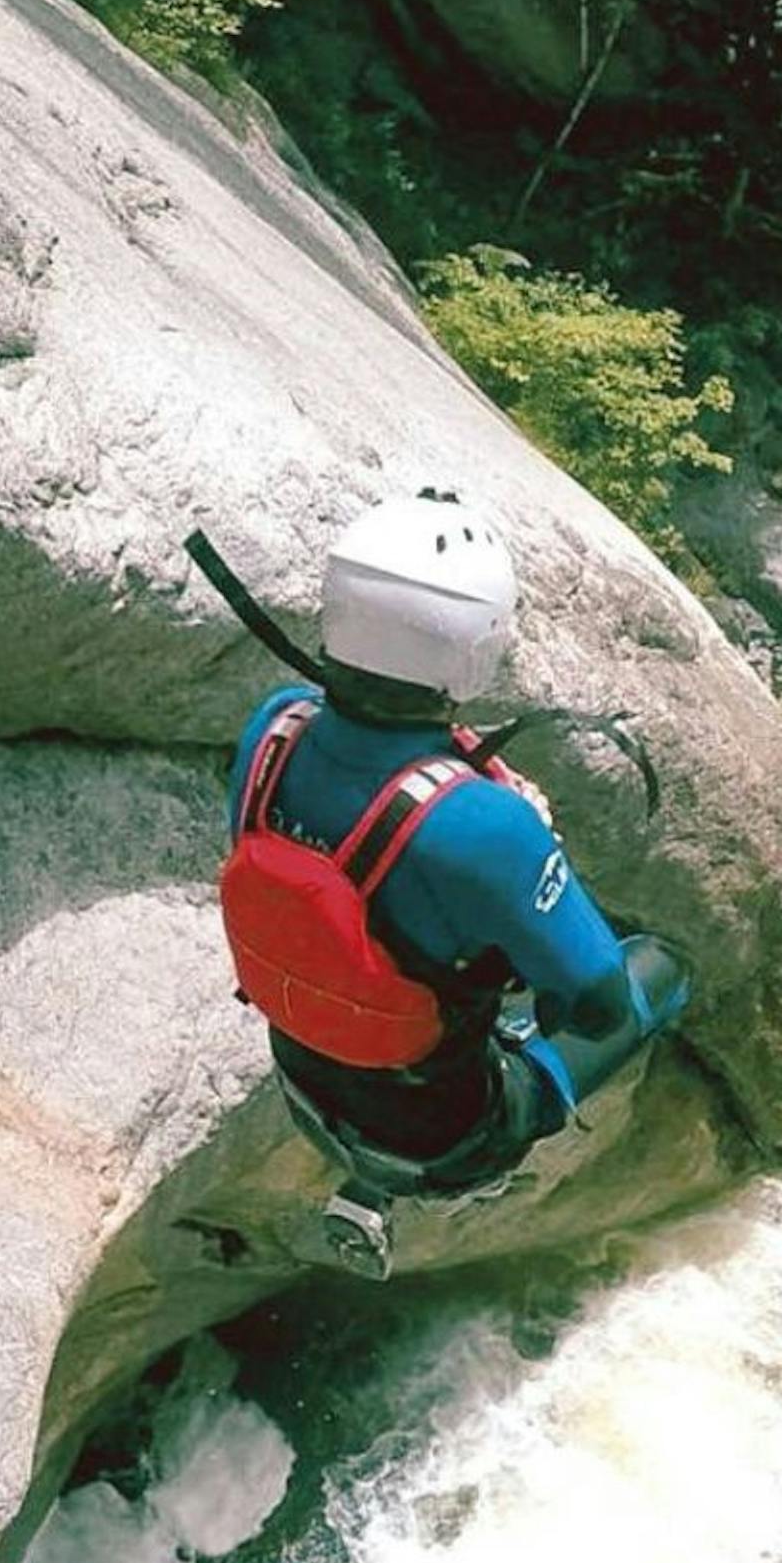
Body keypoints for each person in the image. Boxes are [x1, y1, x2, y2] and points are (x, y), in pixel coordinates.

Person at [219, 488, 689, 1273]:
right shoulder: (482, 826)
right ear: (475, 648)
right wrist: (528, 847)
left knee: (418, 961)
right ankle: (465, 1153)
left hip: (305, 1079)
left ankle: (374, 1178)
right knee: (663, 969)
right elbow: (598, 1005)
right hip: (454, 1133)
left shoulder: (275, 728)